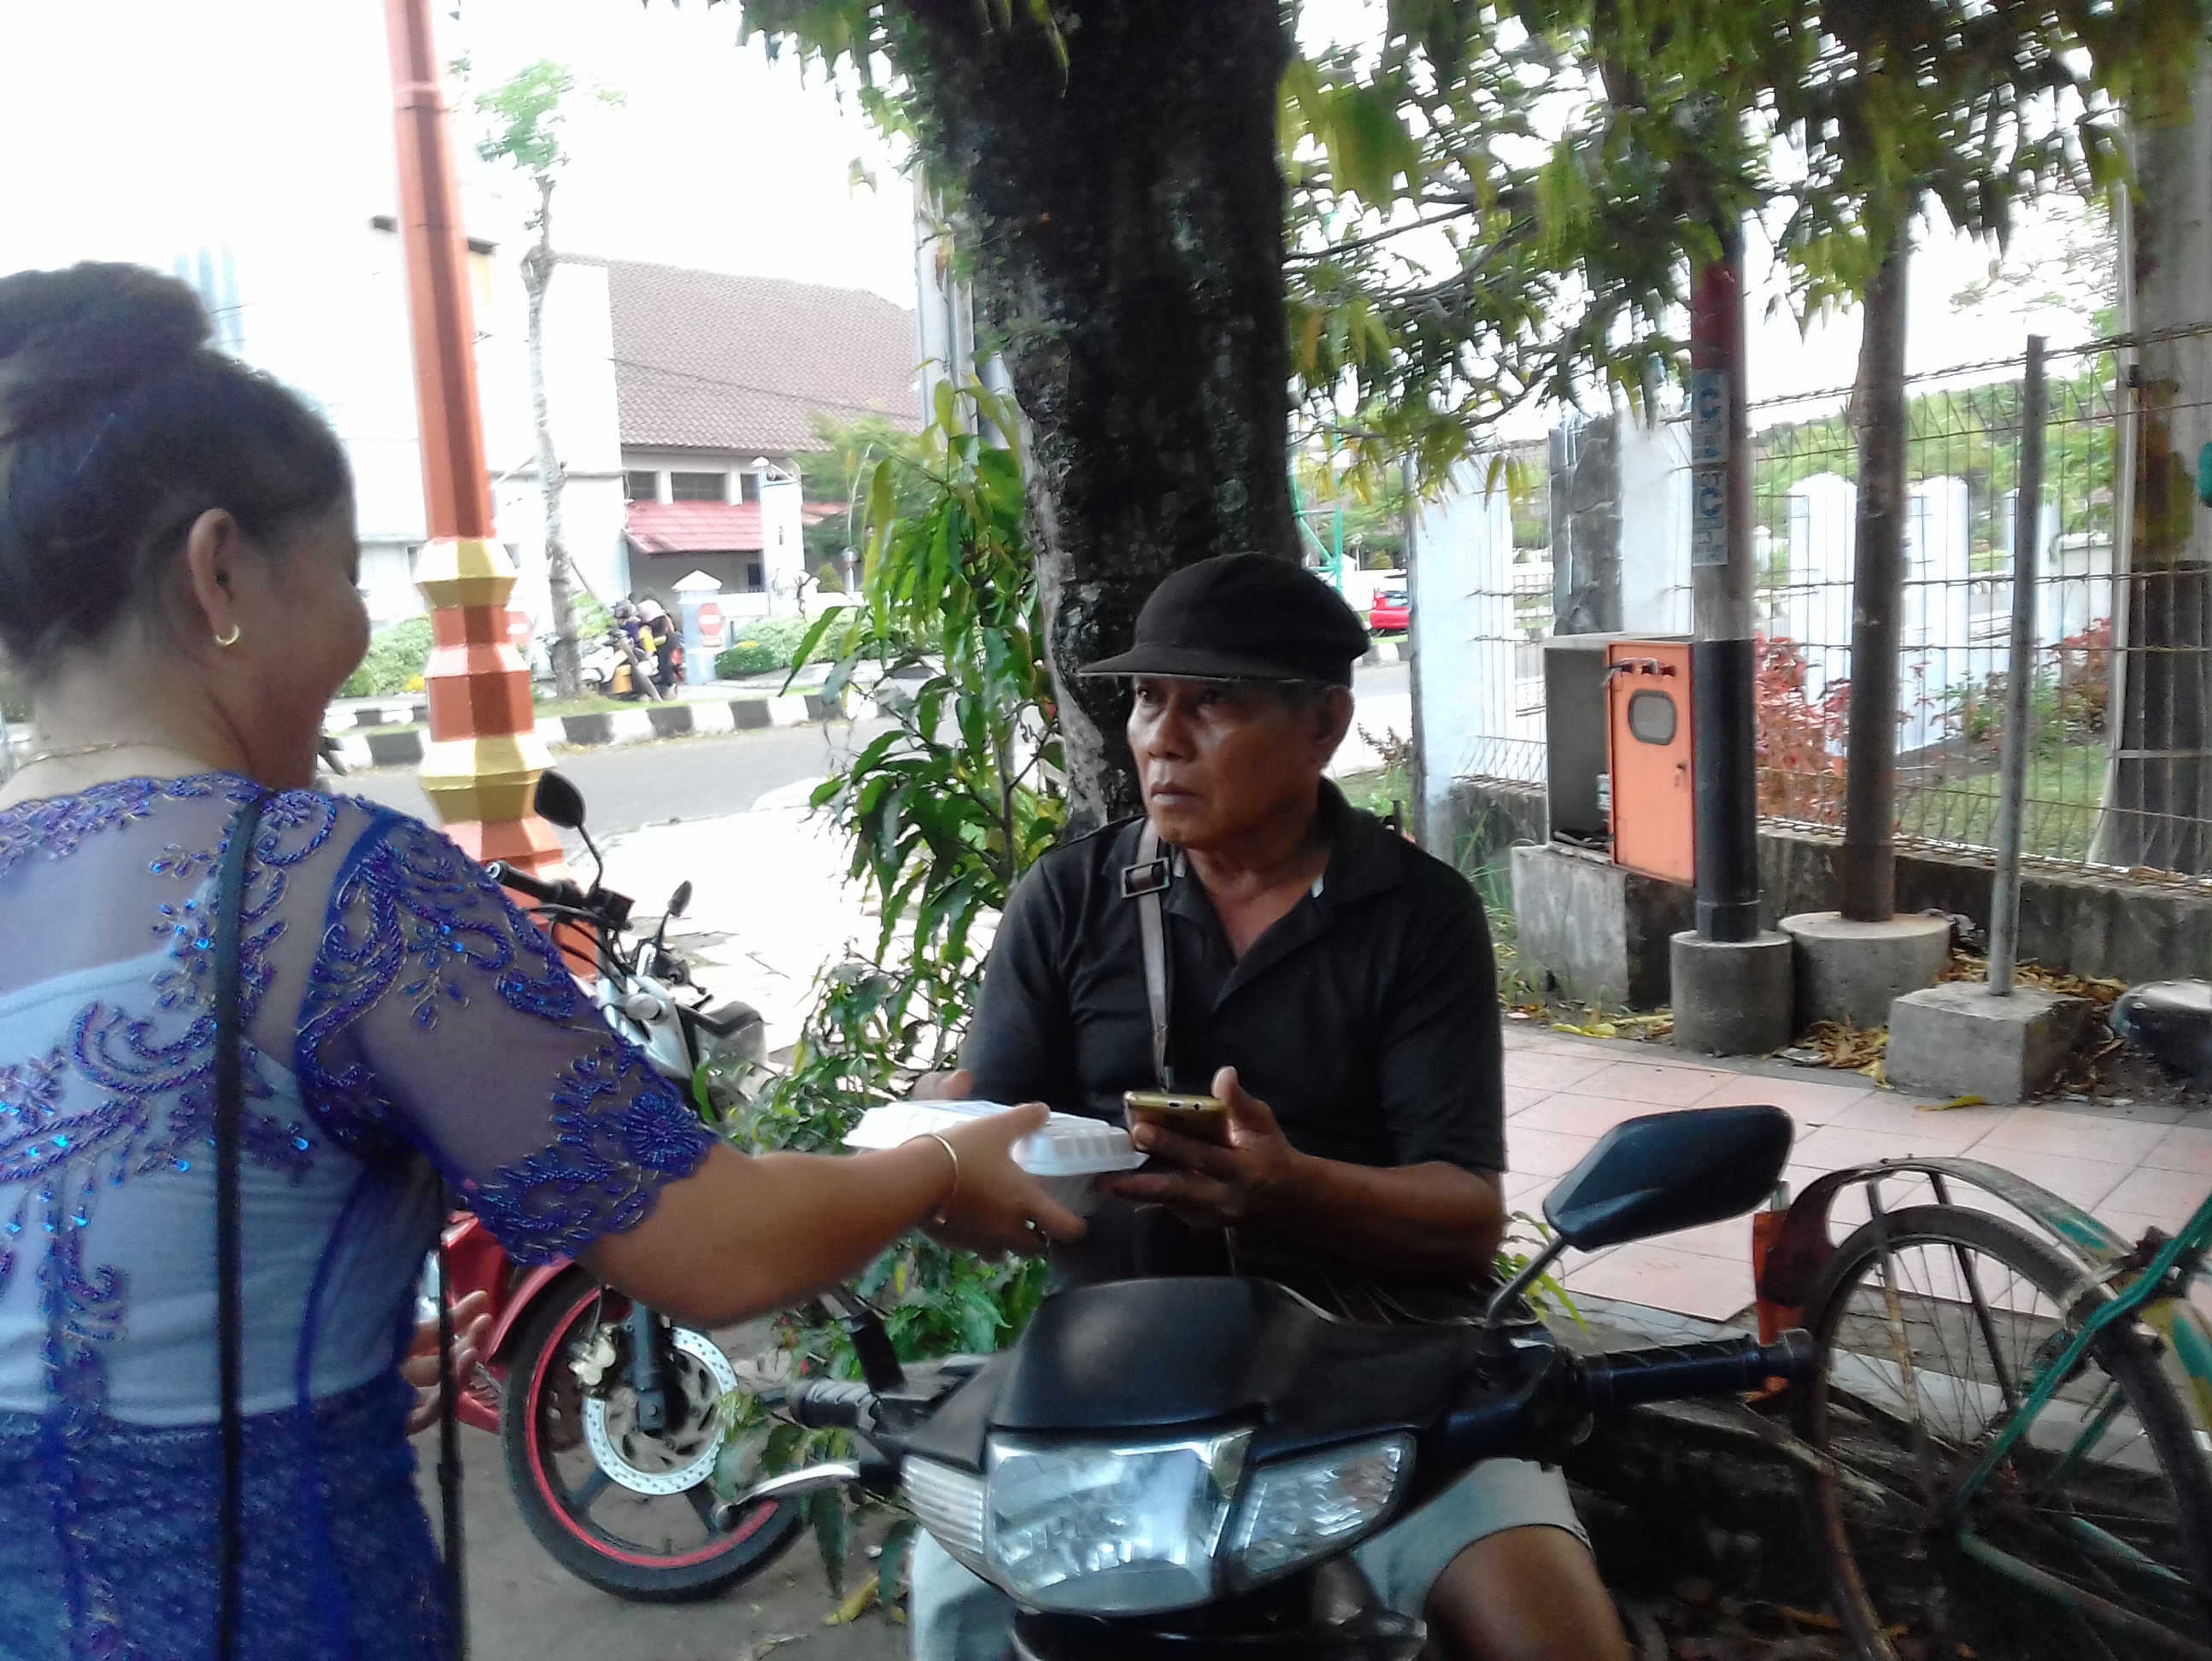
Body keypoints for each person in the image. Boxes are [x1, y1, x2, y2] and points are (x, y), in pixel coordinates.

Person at [0, 262, 1084, 1661]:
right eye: (344, 577)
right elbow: (712, 1245)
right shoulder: (333, 884)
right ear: (221, 572)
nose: (353, 632)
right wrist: (938, 1166)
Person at [908, 554, 1628, 1661]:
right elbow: (992, 1144)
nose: (1162, 738)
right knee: (957, 1612)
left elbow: (1464, 1217)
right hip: (1116, 1386)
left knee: (1551, 1636)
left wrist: (1287, 1191)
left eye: (1214, 702)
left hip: (1376, 1379)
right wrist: (930, 1157)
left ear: (1323, 724)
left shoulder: (1418, 917)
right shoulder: (1068, 900)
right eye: (1148, 699)